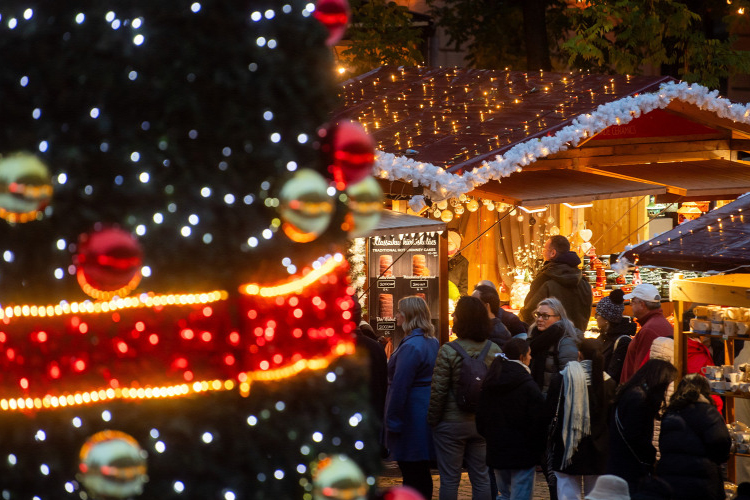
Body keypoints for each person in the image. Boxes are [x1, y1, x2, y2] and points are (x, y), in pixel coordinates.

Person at [428, 295, 501, 499]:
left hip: (451, 424)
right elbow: (497, 390)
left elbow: (439, 390)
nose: (452, 316)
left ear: (462, 319)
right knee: (482, 477)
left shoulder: (448, 350)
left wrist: (433, 421)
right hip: (481, 424)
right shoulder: (494, 350)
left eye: (455, 314)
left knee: (450, 478)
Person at [546, 339, 617, 500]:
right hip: (598, 449)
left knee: (567, 492)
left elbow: (549, 411)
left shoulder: (562, 379)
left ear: (579, 355)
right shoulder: (610, 383)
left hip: (567, 448)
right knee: (597, 494)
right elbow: (611, 419)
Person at [384, 296, 440, 499]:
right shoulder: (431, 342)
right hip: (423, 410)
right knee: (420, 471)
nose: (396, 315)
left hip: (410, 415)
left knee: (411, 471)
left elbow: (400, 386)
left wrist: (392, 420)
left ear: (409, 315)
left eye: (399, 311)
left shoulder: (411, 346)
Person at [477, 338, 546, 500]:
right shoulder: (527, 384)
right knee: (520, 493)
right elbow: (539, 420)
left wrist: (491, 437)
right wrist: (538, 448)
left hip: (498, 450)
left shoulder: (492, 380)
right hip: (523, 453)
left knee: (505, 494)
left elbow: (481, 416)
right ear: (522, 357)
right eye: (529, 355)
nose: (531, 358)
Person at [655, 374, 731, 500]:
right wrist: (717, 460)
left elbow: (663, 444)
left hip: (670, 480)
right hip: (701, 481)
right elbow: (721, 441)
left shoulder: (670, 413)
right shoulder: (708, 412)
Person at [607, 359, 677, 495]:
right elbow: (636, 437)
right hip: (629, 467)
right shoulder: (639, 399)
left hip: (620, 463)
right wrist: (651, 458)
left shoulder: (631, 392)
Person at [519, 235, 593, 331]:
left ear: (553, 253)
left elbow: (529, 313)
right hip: (576, 339)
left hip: (550, 341)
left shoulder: (545, 281)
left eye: (544, 249)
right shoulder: (584, 283)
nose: (542, 252)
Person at [528, 297, 583, 397]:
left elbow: (568, 378)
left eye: (545, 316)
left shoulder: (565, 342)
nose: (539, 319)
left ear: (558, 317)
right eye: (538, 315)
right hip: (535, 396)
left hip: (551, 400)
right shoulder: (533, 337)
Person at [620, 284, 674, 383]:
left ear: (642, 304)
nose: (631, 305)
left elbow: (641, 370)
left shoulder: (649, 330)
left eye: (633, 302)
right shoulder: (657, 323)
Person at [595, 289, 636, 384]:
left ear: (607, 319)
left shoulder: (622, 341)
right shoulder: (604, 336)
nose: (595, 317)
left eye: (598, 314)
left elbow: (613, 376)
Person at [472, 284, 512, 348]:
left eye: (474, 302)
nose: (470, 305)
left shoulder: (498, 333)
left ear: (486, 306)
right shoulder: (479, 325)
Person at [448, 230, 469, 296]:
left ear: (456, 245)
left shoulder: (463, 262)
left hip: (453, 298)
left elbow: (463, 286)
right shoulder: (435, 256)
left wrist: (459, 301)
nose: (446, 245)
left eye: (449, 243)